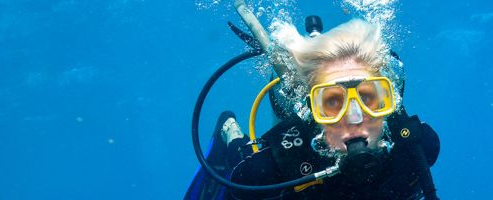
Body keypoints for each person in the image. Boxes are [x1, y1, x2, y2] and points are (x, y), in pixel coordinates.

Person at [186, 1, 440, 199]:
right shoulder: (269, 171)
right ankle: (229, 129)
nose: (354, 117)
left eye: (367, 98)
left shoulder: (416, 150)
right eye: (333, 102)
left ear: (387, 102)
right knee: (239, 157)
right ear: (311, 110)